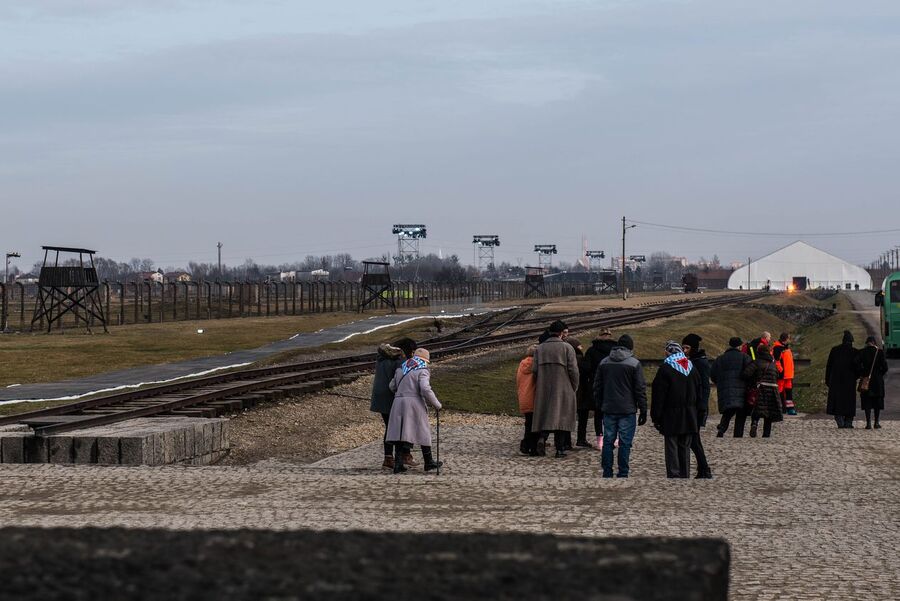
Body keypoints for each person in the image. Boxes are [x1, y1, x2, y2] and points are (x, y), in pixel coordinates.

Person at [594, 334, 647, 478]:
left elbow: (597, 386)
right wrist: (643, 409)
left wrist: (599, 404)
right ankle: (623, 472)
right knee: (625, 443)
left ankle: (607, 471)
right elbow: (639, 389)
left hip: (609, 407)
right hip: (627, 408)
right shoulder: (634, 363)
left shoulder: (604, 362)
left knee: (608, 441)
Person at [651, 341, 703, 479]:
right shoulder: (691, 367)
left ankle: (674, 474)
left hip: (671, 414)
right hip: (690, 414)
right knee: (685, 446)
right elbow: (700, 393)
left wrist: (656, 416)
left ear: (668, 352)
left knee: (671, 445)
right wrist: (699, 413)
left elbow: (658, 395)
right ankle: (684, 473)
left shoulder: (665, 369)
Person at [387, 348, 443, 473]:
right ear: (425, 360)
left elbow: (392, 386)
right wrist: (436, 404)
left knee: (400, 433)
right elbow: (425, 389)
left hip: (398, 403)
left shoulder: (401, 368)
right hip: (414, 403)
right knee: (423, 430)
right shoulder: (423, 370)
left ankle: (398, 465)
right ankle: (428, 462)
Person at [532, 320, 579, 458]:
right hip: (563, 387)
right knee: (562, 418)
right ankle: (560, 450)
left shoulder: (540, 349)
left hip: (544, 387)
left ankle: (542, 438)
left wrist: (539, 383)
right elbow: (573, 371)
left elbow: (534, 370)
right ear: (560, 333)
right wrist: (574, 387)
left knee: (546, 414)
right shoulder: (567, 348)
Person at [370, 337, 416, 470]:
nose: (412, 354)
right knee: (399, 427)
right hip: (392, 397)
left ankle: (389, 458)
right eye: (412, 351)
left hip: (379, 397)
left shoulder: (382, 357)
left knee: (390, 427)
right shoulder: (399, 360)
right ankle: (402, 457)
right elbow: (401, 380)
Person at [682, 334, 712, 479]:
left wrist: (702, 405)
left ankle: (704, 469)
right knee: (695, 439)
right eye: (683, 347)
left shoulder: (700, 363)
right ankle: (703, 469)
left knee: (694, 439)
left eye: (687, 348)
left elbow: (706, 387)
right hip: (693, 405)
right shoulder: (693, 360)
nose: (684, 350)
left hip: (697, 407)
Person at [712, 337, 752, 437]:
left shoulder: (720, 359)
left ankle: (721, 429)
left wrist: (720, 383)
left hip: (726, 390)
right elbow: (751, 372)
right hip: (742, 390)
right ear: (739, 346)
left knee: (728, 411)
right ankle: (738, 435)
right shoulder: (745, 357)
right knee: (741, 413)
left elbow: (713, 375)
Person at [584, 329, 617, 447]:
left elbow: (586, 368)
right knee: (612, 412)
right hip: (612, 384)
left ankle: (600, 439)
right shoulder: (615, 351)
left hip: (596, 383)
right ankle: (612, 437)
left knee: (598, 412)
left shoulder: (592, 350)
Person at [742, 343, 783, 438]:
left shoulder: (757, 362)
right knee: (769, 412)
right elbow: (778, 375)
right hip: (773, 390)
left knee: (757, 409)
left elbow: (746, 374)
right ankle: (766, 434)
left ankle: (754, 423)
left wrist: (752, 382)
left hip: (760, 389)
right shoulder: (773, 364)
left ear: (759, 352)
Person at [826, 331, 860, 429]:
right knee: (849, 402)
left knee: (838, 401)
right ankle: (848, 421)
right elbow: (858, 368)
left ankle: (839, 419)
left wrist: (828, 380)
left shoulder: (835, 350)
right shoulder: (854, 352)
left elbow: (829, 366)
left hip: (836, 381)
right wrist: (856, 377)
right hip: (850, 381)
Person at [857, 336, 888, 429]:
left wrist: (862, 373)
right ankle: (876, 422)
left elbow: (855, 363)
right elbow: (885, 368)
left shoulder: (862, 352)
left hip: (866, 380)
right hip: (877, 381)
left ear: (867, 343)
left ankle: (868, 423)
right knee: (877, 402)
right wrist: (879, 374)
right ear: (874, 343)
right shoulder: (880, 352)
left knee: (867, 402)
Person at [568, 338, 591, 449]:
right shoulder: (581, 359)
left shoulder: (566, 359)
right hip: (582, 391)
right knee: (583, 417)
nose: (582, 347)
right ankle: (581, 439)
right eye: (580, 345)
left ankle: (566, 441)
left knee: (567, 417)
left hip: (570, 392)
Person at [517, 345, 540, 454]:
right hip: (534, 397)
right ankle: (532, 448)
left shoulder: (522, 364)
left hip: (524, 397)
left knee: (528, 423)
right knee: (535, 425)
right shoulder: (536, 366)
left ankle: (525, 445)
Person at [773, 333, 797, 415]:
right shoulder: (777, 348)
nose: (789, 340)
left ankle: (789, 408)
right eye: (789, 338)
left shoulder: (784, 347)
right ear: (786, 339)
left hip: (788, 375)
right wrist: (781, 370)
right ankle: (780, 408)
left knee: (788, 392)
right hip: (782, 375)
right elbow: (776, 361)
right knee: (780, 392)